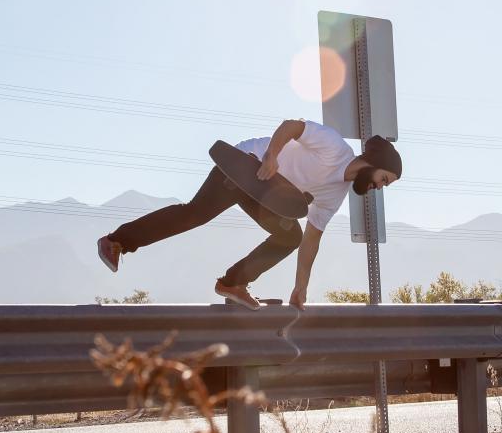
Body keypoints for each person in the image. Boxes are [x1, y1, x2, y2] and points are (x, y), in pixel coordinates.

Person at [96, 119, 402, 311]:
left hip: (265, 192)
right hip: (246, 164)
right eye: (384, 179)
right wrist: (271, 155)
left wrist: (301, 287)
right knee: (195, 214)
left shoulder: (336, 193)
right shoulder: (334, 146)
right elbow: (291, 126)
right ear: (374, 162)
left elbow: (312, 239)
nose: (380, 187)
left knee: (291, 235)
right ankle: (116, 241)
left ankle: (233, 283)